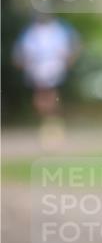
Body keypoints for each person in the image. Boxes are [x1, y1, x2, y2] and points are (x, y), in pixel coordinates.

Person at [12, 13, 80, 145]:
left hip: (52, 66)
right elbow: (20, 51)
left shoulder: (59, 28)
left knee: (50, 94)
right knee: (41, 97)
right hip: (36, 68)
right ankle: (50, 123)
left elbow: (74, 43)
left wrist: (70, 58)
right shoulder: (30, 31)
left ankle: (52, 125)